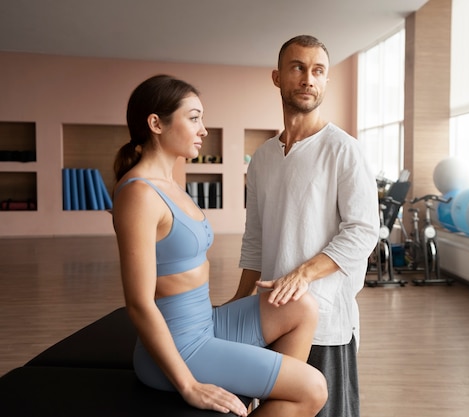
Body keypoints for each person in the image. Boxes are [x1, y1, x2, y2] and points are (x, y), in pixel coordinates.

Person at [112, 74, 327, 417]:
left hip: (205, 324)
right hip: (180, 346)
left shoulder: (168, 183)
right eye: (194, 118)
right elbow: (138, 304)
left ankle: (265, 397)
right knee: (312, 389)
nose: (203, 130)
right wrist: (189, 385)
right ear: (156, 123)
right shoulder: (140, 194)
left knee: (302, 306)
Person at [233, 35, 379, 417]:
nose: (308, 79)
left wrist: (302, 275)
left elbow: (363, 231)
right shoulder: (262, 158)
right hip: (270, 314)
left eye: (318, 71)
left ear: (326, 81)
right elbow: (256, 240)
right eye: (298, 67)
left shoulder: (344, 150)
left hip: (326, 318)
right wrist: (238, 301)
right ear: (277, 77)